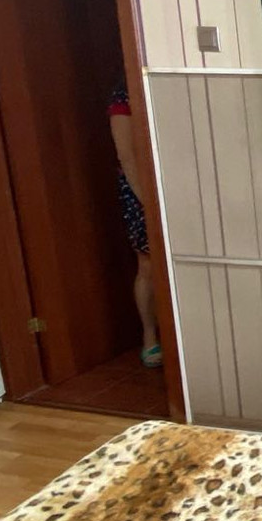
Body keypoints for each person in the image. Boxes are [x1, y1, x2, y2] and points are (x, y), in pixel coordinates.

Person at [107, 84, 161, 367]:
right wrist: (149, 204)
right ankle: (150, 338)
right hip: (140, 192)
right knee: (148, 264)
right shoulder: (123, 96)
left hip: (174, 182)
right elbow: (127, 158)